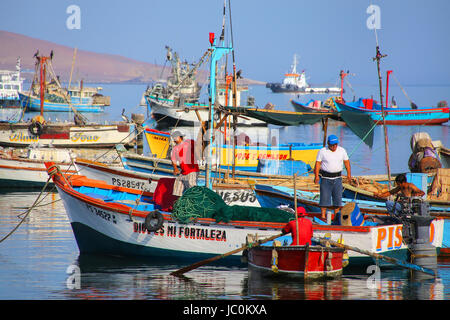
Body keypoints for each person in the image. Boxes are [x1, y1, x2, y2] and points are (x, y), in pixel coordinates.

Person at [314, 134, 351, 219]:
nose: (334, 146)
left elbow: (347, 162)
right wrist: (316, 176)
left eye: (335, 144)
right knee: (324, 199)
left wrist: (349, 174)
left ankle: (336, 216)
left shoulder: (342, 151)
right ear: (328, 144)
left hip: (337, 178)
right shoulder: (323, 151)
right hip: (326, 179)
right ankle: (323, 216)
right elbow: (318, 163)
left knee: (337, 200)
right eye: (332, 145)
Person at [170, 131, 199, 196]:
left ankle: (194, 202)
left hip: (192, 170)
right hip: (183, 172)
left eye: (174, 138)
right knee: (177, 186)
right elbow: (173, 159)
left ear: (179, 137)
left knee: (192, 188)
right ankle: (178, 202)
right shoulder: (175, 148)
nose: (174, 140)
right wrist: (175, 168)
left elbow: (200, 144)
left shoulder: (189, 142)